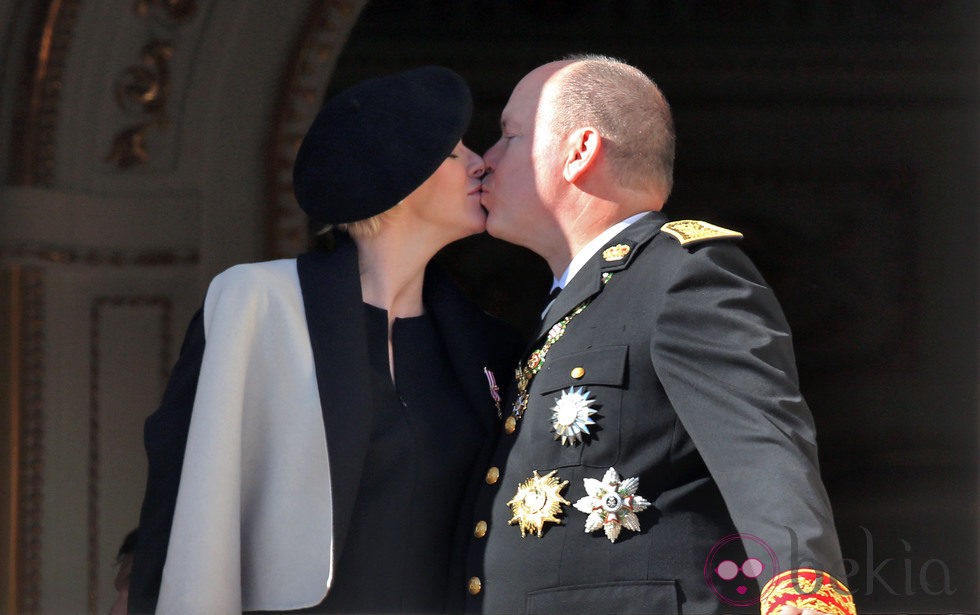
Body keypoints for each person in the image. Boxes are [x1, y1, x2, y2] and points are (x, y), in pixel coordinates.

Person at [462, 55, 857, 615]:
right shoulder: (568, 303)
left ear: (579, 152)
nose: (486, 160)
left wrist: (805, 600)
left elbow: (764, 455)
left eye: (509, 136)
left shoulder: (684, 274)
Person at [126, 66, 520, 614]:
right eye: (456, 153)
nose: (481, 163)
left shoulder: (485, 341)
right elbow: (181, 494)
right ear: (397, 178)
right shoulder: (260, 303)